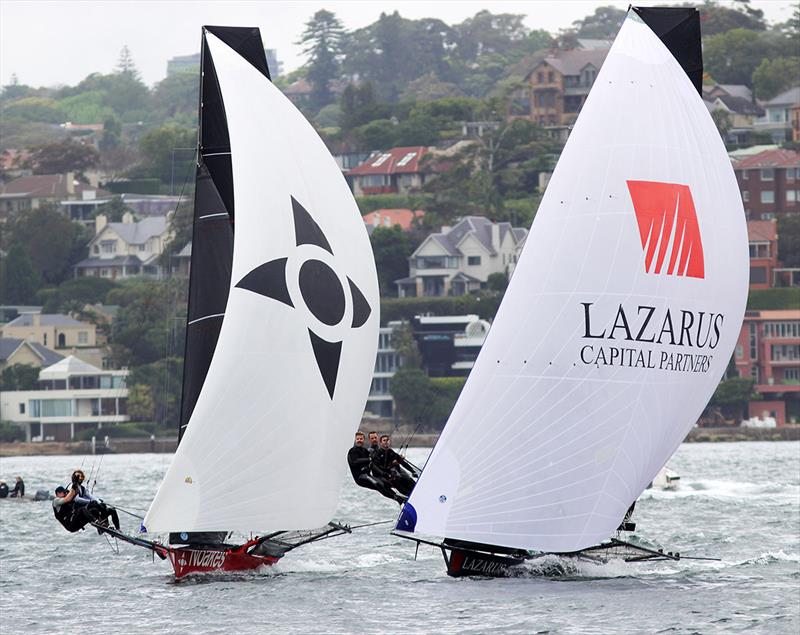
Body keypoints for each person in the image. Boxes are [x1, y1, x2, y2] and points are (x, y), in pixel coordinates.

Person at [347, 432, 405, 504]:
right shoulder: (352, 451)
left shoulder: (365, 451)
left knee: (384, 484)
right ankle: (398, 499)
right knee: (378, 484)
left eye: (361, 439)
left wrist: (394, 462)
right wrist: (369, 459)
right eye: (357, 439)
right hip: (360, 477)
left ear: (364, 440)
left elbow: (374, 462)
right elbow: (354, 461)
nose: (359, 440)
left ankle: (399, 498)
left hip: (368, 475)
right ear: (355, 440)